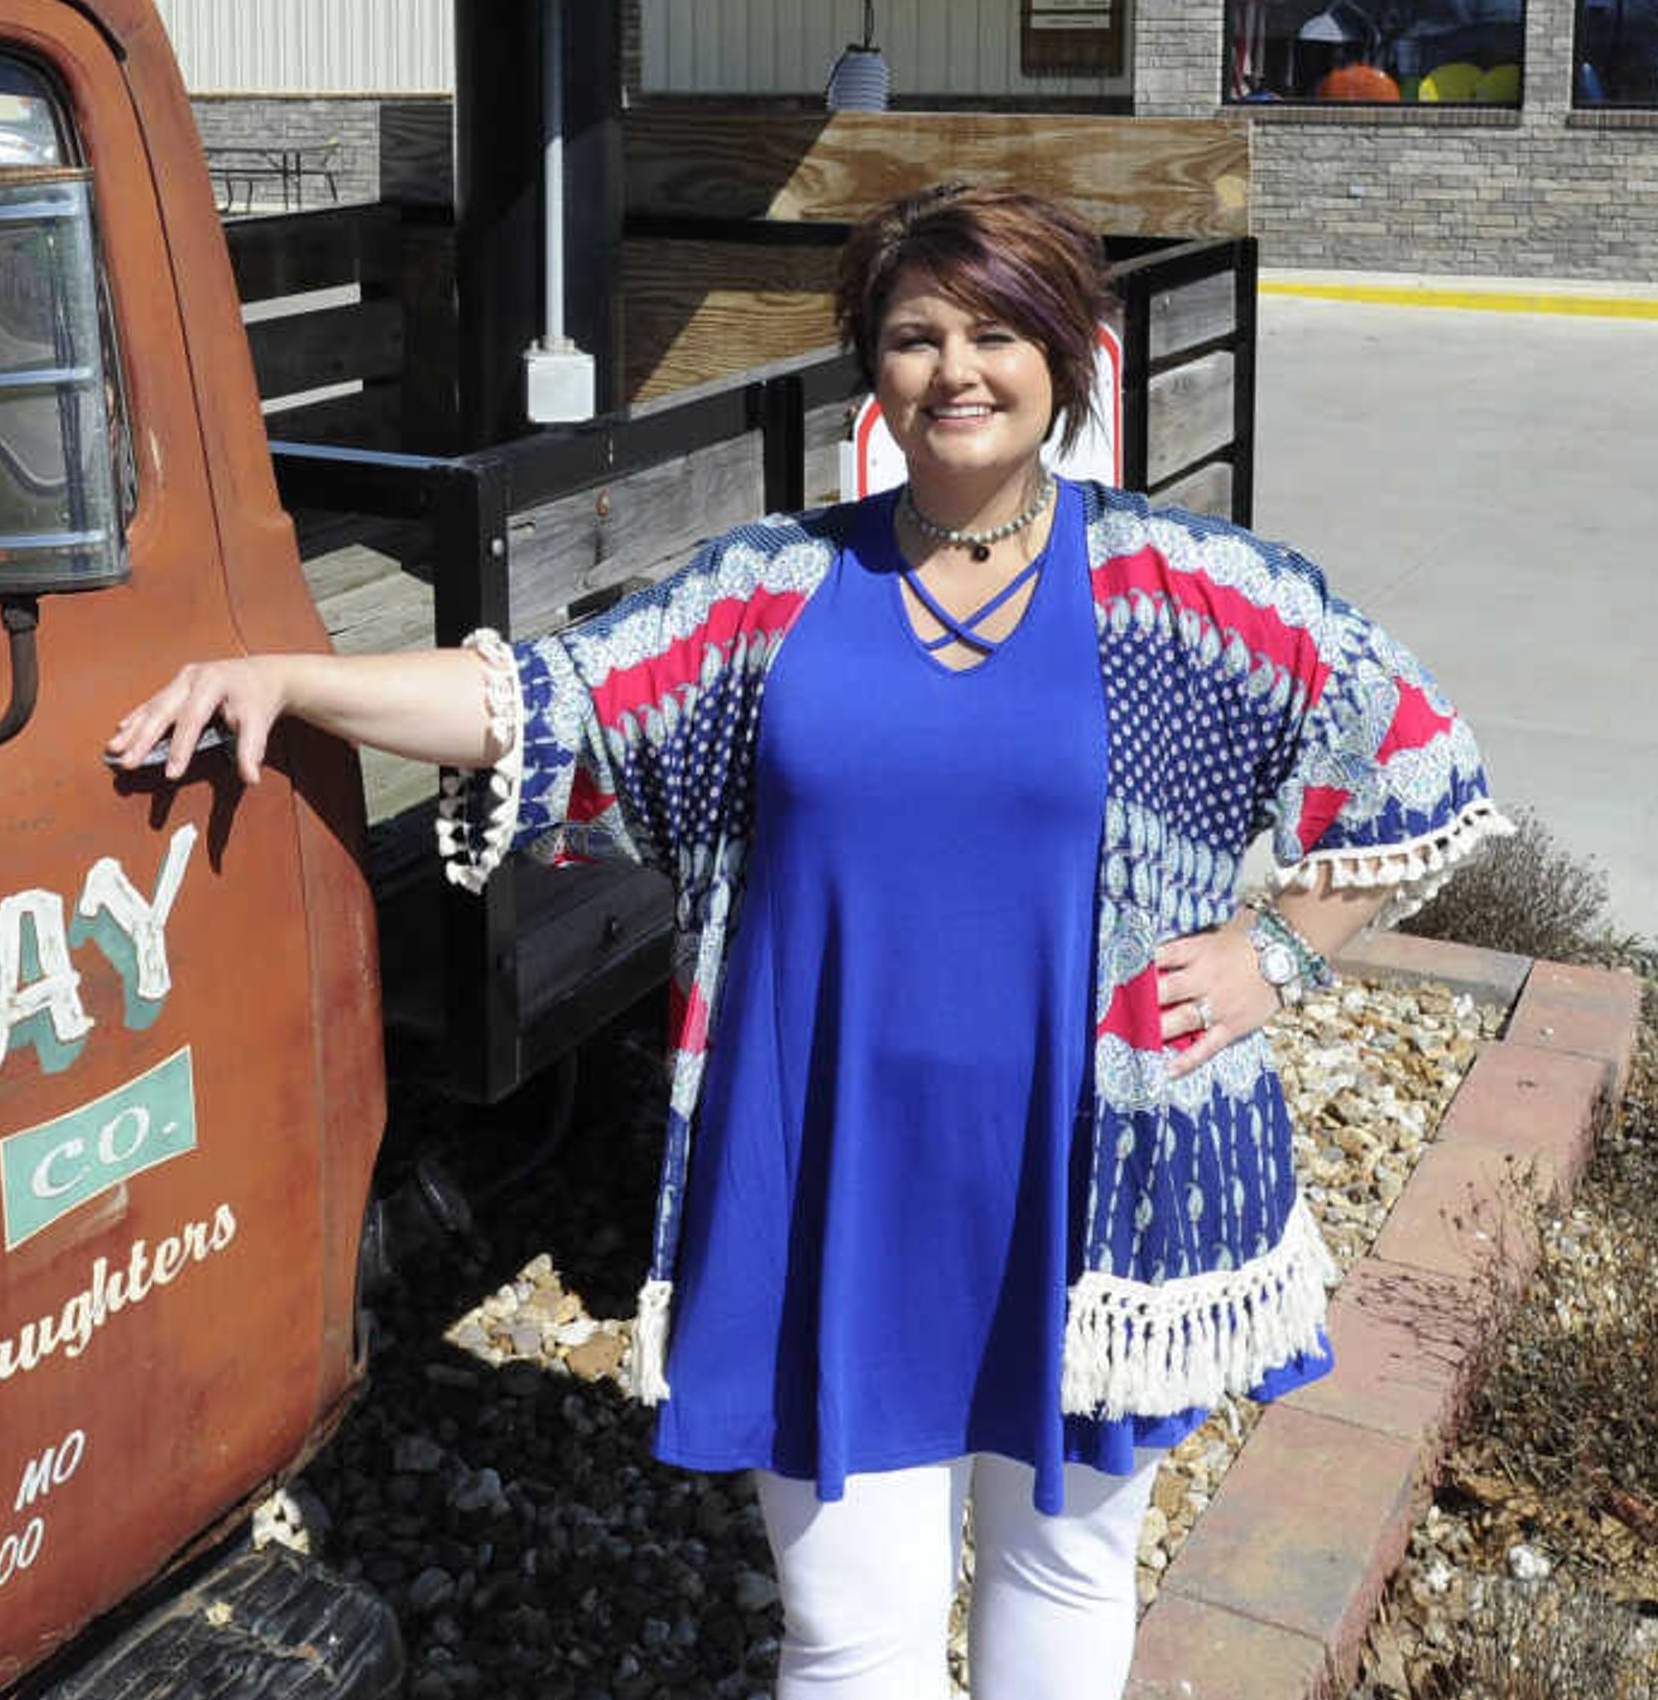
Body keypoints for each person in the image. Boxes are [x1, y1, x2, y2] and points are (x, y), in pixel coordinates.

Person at [108, 183, 1502, 1700]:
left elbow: (1414, 745)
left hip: (1077, 1174)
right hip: (828, 1176)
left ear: (1064, 353)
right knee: (847, 1635)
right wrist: (296, 678)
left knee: (1067, 1574)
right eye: (914, 335)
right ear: (872, 369)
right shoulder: (774, 592)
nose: (954, 368)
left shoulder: (1185, 590)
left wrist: (1278, 957)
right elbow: (545, 697)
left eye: (993, 330)